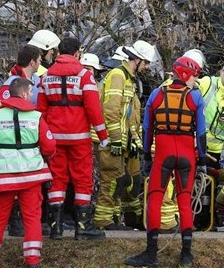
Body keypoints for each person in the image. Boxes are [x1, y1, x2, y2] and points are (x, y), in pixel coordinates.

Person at [125, 55, 206, 267]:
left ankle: (151, 254)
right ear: (187, 74)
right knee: (185, 201)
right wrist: (203, 159)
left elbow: (147, 129)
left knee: (155, 200)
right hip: (187, 156)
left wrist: (146, 156)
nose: (195, 81)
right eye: (194, 76)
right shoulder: (196, 98)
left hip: (163, 154)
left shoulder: (156, 94)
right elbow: (202, 133)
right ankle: (186, 254)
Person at [37, 37, 109, 240]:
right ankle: (83, 226)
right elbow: (94, 110)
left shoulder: (46, 77)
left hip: (54, 138)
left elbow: (40, 111)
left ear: (60, 53)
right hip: (79, 138)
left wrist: (41, 138)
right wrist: (103, 136)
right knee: (83, 180)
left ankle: (55, 228)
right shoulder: (85, 76)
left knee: (57, 180)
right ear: (77, 53)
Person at [94, 41, 156, 230]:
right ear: (135, 59)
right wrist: (115, 139)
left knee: (128, 181)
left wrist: (135, 141)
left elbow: (131, 115)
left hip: (124, 141)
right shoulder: (118, 76)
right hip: (113, 141)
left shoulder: (129, 79)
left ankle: (129, 219)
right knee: (113, 179)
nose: (146, 67)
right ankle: (103, 221)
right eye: (145, 63)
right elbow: (111, 110)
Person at [0, 78, 56, 268]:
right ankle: (32, 261)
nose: (32, 96)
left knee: (0, 218)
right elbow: (49, 147)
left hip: (4, 176)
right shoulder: (36, 117)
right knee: (32, 217)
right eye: (30, 93)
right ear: (24, 94)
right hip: (32, 177)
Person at [0, 45, 43, 237]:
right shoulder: (11, 84)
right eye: (40, 59)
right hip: (13, 149)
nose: (41, 63)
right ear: (32, 61)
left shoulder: (33, 81)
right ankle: (16, 221)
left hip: (29, 145)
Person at [199, 62, 224, 167]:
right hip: (197, 144)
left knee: (211, 180)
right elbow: (191, 85)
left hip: (217, 150)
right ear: (221, 73)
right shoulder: (208, 82)